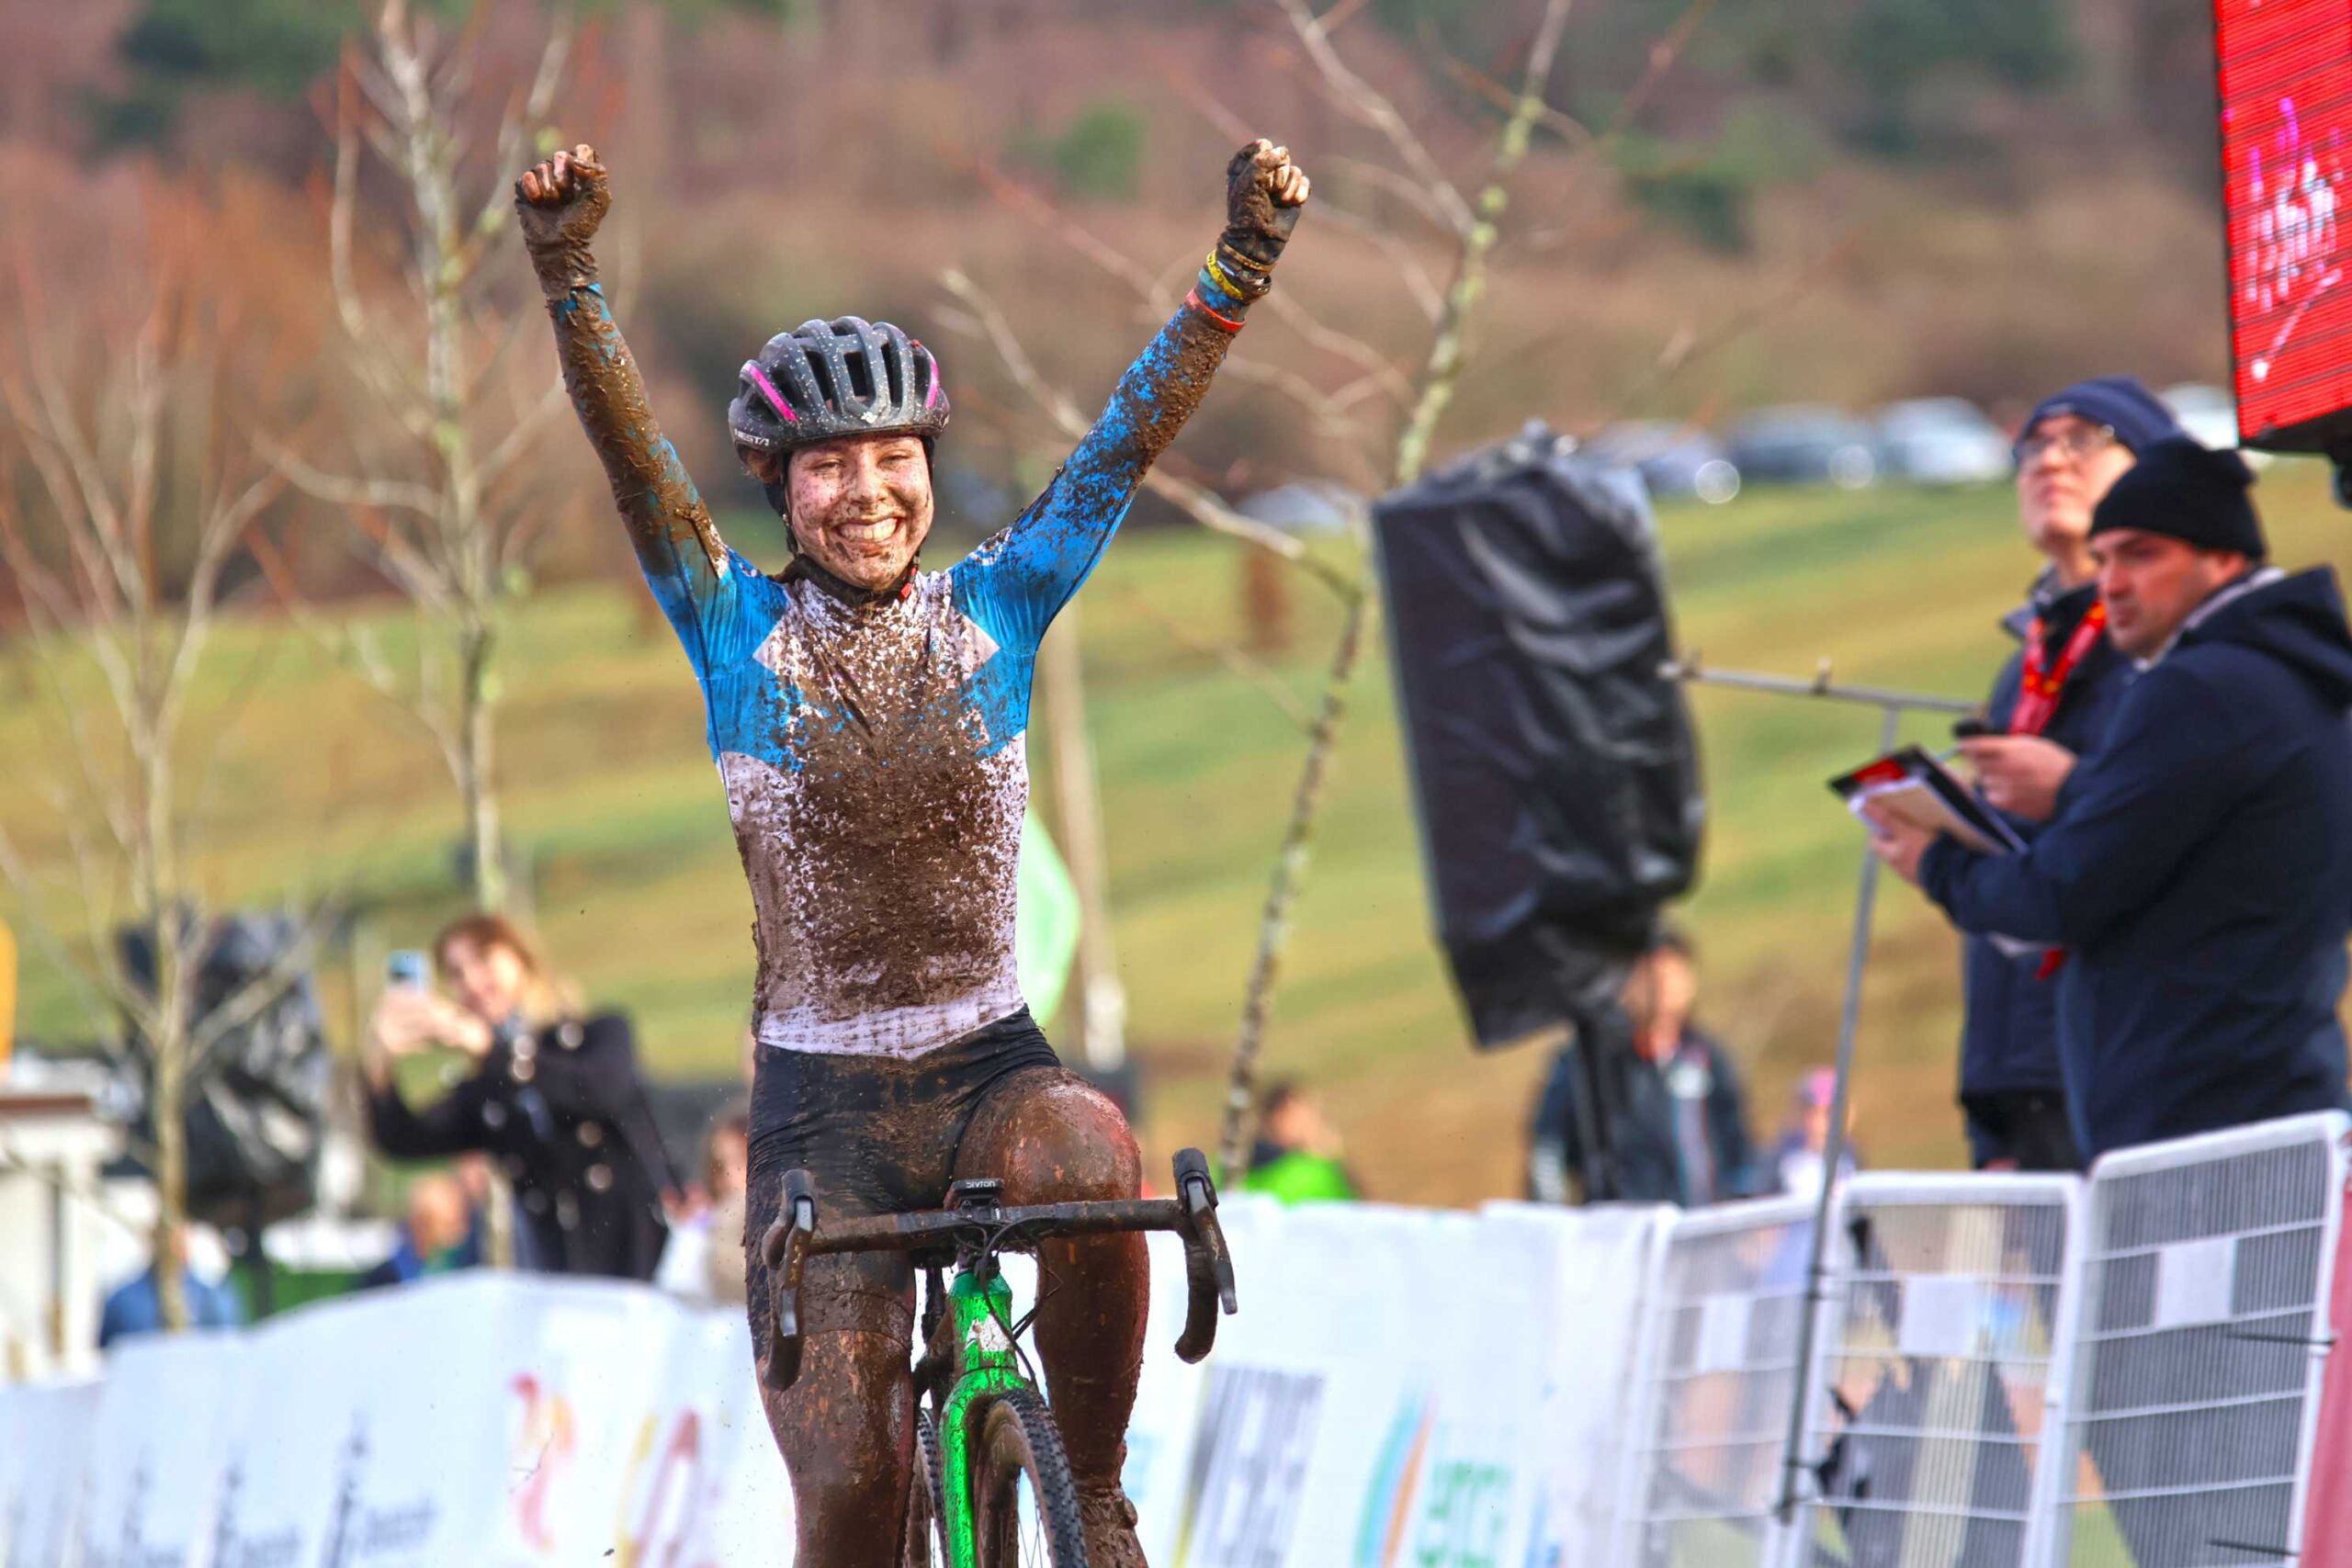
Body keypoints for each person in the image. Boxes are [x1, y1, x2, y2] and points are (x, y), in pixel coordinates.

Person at [515, 134, 1309, 1566]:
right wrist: (571, 278)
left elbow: (1122, 445)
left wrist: (1237, 268)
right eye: (831, 465)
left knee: (1087, 1141)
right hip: (824, 1113)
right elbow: (637, 465)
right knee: (850, 1493)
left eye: (894, 458)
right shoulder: (733, 625)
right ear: (776, 482)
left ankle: (1099, 1491)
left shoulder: (998, 608)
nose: (869, 490)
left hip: (986, 1061)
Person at [1870, 436, 2352, 1159]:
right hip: (2277, 1101)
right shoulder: (2298, 677)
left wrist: (1936, 860)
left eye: (2143, 554)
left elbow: (2064, 892)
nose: (2112, 583)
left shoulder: (2197, 688)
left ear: (2224, 558)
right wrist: (2078, 788)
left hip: (2196, 1132)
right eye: (2102, 559)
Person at [1951, 378, 2183, 1173]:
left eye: (2085, 437)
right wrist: (1994, 1114)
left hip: (2144, 1079)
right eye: (2034, 443)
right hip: (2030, 1089)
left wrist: (2074, 784)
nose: (2051, 458)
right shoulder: (2023, 672)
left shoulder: (2181, 655)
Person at [362, 914, 684, 1280]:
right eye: (455, 973)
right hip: (561, 1277)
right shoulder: (487, 1089)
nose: (471, 981)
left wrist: (492, 1049)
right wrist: (378, 1060)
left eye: (483, 959)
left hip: (645, 1263)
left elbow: (600, 1090)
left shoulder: (596, 1034)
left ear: (521, 959)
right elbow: (404, 1139)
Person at [1526, 931, 1767, 1206]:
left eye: (1672, 974)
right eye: (1649, 974)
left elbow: (1739, 1146)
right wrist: (1555, 1220)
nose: (1661, 988)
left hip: (1700, 1231)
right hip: (1621, 1236)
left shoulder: (1708, 1059)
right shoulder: (1588, 1064)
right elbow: (1548, 1152)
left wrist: (1749, 1204)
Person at [655, 1100, 752, 1305]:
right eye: (724, 1164)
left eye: (742, 1162)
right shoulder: (702, 1226)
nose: (730, 1176)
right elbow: (677, 1289)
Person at [98, 1225, 242, 1348]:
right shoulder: (122, 1301)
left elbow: (227, 1347)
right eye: (165, 1238)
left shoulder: (213, 1297)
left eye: (177, 1240)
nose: (170, 1245)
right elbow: (107, 1355)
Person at [357, 1170, 480, 1291]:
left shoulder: (457, 1257)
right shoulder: (388, 1269)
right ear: (425, 1223)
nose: (464, 1231)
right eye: (453, 1224)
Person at [1241, 1081, 1360, 1202]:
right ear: (1279, 1117)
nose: (1313, 1123)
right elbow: (1354, 1209)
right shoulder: (1314, 1172)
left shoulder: (1236, 1164)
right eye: (1305, 1114)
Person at [1770, 1069, 1859, 1203]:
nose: (1819, 1122)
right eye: (1812, 1112)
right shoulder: (1778, 1155)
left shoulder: (1850, 1154)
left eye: (1829, 1112)